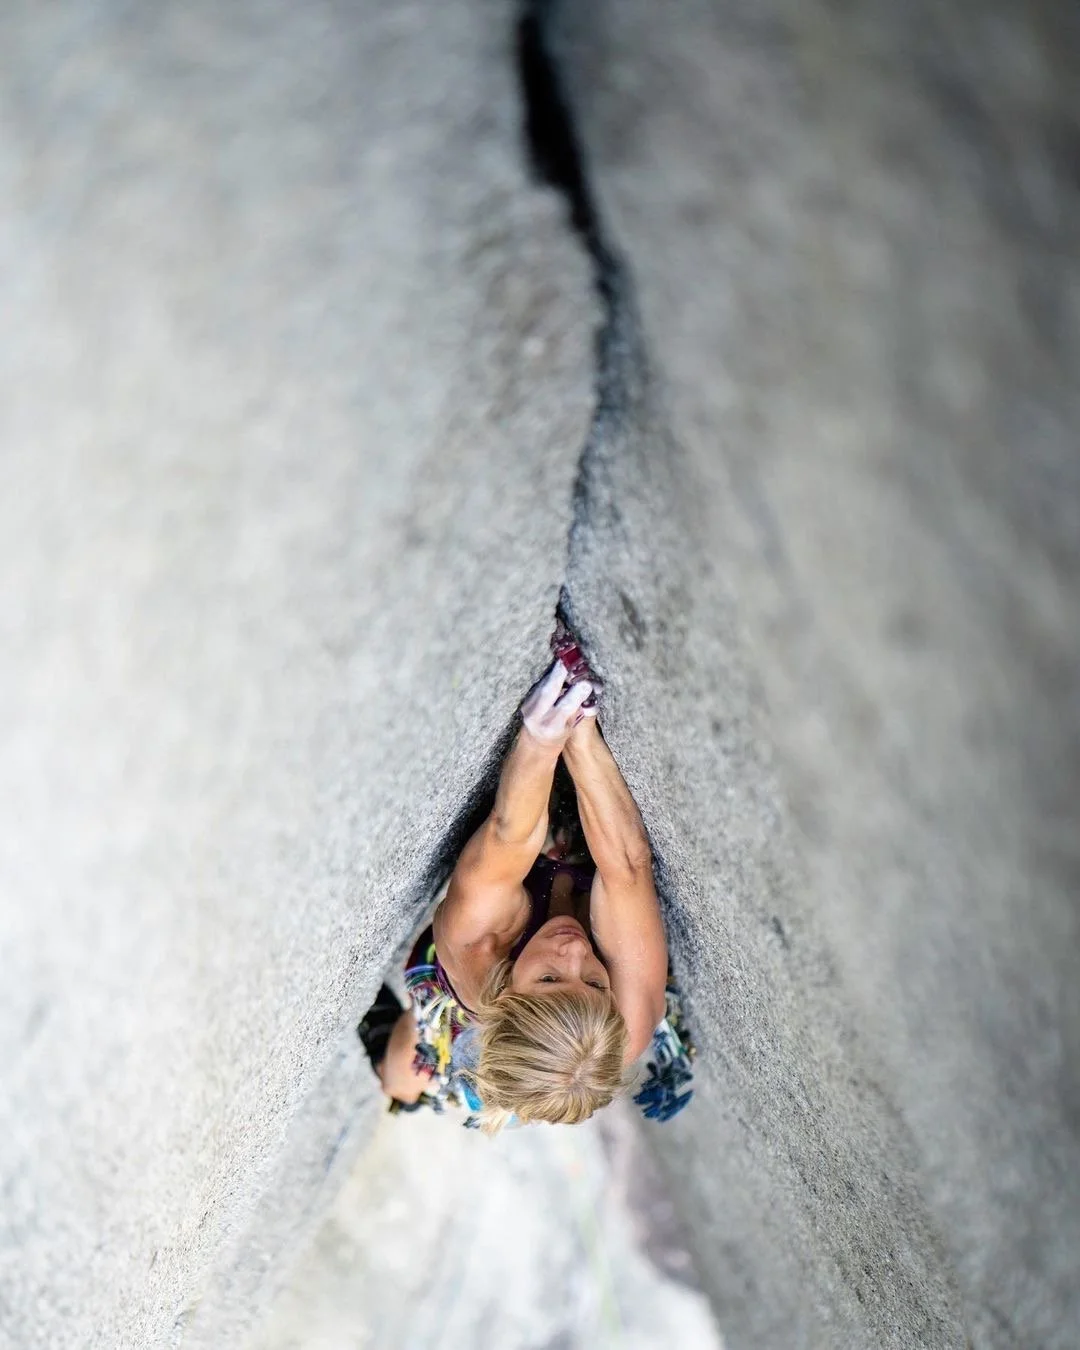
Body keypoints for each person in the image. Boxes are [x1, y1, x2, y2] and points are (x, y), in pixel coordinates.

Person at [358, 626, 692, 1130]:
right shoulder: (628, 1023)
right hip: (562, 1056)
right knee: (548, 1066)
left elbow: (510, 836)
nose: (576, 951)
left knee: (402, 1080)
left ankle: (398, 1031)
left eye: (551, 978)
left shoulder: (475, 945)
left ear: (508, 994)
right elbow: (626, 865)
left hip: (462, 1018)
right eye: (595, 982)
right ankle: (531, 1064)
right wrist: (579, 731)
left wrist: (540, 736)